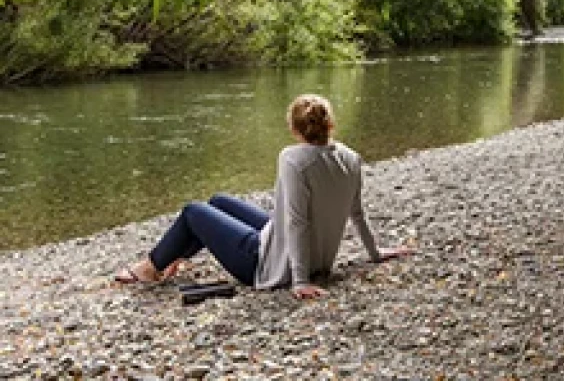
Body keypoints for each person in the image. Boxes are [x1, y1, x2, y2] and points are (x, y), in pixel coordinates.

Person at [115, 94, 411, 299]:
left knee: (194, 211)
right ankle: (174, 255)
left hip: (266, 265)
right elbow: (356, 214)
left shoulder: (293, 158)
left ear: (294, 130)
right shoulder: (351, 158)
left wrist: (300, 281)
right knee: (218, 201)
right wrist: (376, 253)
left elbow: (296, 222)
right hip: (298, 250)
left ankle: (151, 267)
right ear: (331, 124)